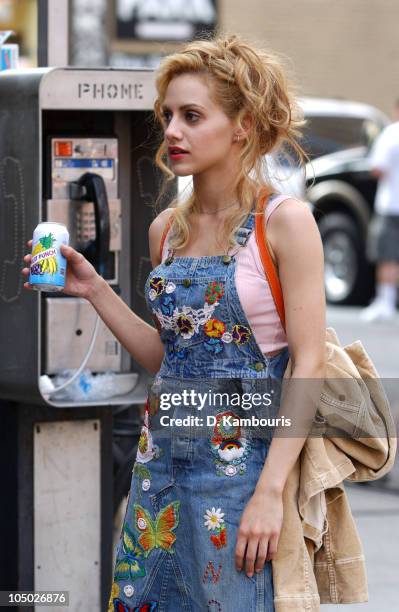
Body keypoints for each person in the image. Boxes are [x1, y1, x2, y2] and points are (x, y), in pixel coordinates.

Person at [22, 35, 326, 612]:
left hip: (239, 480)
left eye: (192, 116)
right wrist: (91, 289)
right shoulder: (168, 230)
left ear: (241, 126)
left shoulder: (284, 224)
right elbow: (170, 361)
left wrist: (270, 493)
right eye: (168, 116)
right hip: (157, 471)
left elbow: (308, 366)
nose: (173, 132)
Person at [361, 99, 399, 322]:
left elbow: (377, 169)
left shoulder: (391, 133)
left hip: (391, 204)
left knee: (387, 255)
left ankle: (385, 301)